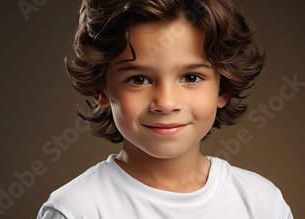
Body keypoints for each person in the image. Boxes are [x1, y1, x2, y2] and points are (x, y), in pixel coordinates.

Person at [37, 0, 294, 218]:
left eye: (191, 78)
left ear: (223, 88)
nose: (166, 103)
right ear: (101, 90)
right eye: (139, 79)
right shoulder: (75, 209)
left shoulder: (261, 202)